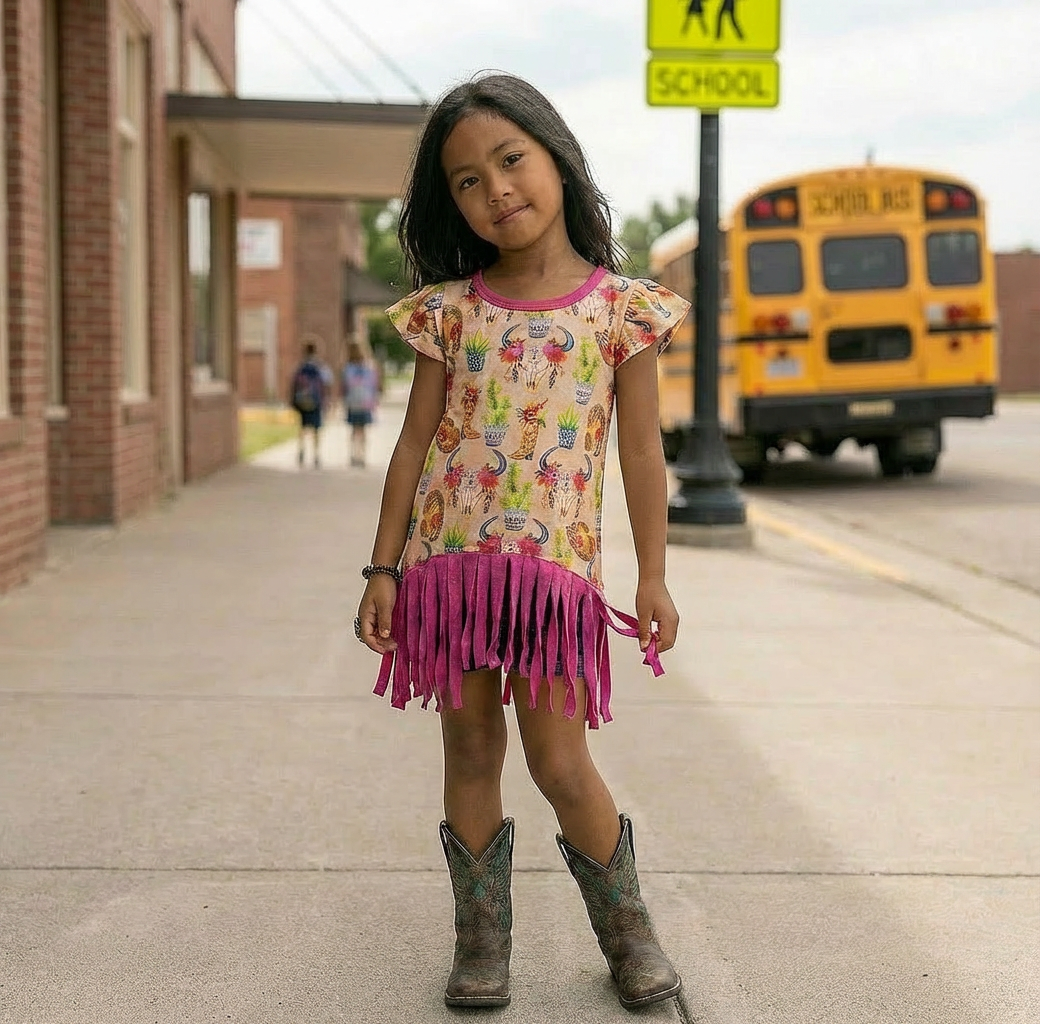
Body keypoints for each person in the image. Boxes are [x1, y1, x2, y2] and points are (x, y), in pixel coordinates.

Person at [355, 74, 689, 1011]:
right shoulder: (448, 311)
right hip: (449, 578)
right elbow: (414, 444)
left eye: (510, 161)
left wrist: (653, 577)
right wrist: (384, 568)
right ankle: (482, 948)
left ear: (556, 157)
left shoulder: (624, 311)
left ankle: (630, 938)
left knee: (559, 762)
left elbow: (640, 451)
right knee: (468, 749)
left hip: (553, 587)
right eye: (466, 180)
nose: (496, 189)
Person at [342, 343, 381, 468]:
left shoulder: (348, 368)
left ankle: (353, 454)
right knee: (363, 431)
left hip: (353, 403)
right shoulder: (369, 367)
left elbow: (345, 386)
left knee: (354, 430)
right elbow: (374, 386)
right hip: (366, 403)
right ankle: (362, 455)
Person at [289, 341, 327, 469]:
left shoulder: (301, 366)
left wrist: (293, 399)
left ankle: (301, 450)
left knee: (303, 427)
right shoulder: (319, 367)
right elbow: (325, 383)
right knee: (316, 429)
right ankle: (316, 454)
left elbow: (294, 383)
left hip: (303, 401)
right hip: (315, 402)